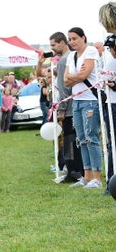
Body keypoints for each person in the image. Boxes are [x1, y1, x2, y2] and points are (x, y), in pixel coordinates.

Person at [36, 32, 83, 183]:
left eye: (53, 45)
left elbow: (64, 88)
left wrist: (62, 109)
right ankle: (77, 170)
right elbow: (43, 76)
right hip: (73, 105)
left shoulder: (64, 61)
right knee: (73, 140)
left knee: (69, 140)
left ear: (62, 43)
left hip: (68, 109)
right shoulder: (70, 58)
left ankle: (73, 171)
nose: (52, 48)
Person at [64, 27, 103, 189]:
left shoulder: (91, 51)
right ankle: (86, 176)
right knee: (81, 139)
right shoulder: (71, 56)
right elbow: (66, 80)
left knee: (91, 137)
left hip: (91, 100)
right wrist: (76, 76)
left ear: (83, 37)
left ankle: (97, 177)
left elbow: (83, 75)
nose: (72, 42)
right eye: (70, 39)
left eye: (74, 38)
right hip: (77, 100)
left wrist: (76, 76)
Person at [102, 34, 116, 194]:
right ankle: (111, 181)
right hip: (111, 103)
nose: (111, 52)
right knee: (112, 143)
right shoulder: (109, 60)